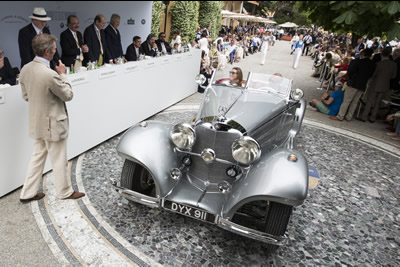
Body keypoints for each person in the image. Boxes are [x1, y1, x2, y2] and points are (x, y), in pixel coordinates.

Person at [19, 34, 85, 203]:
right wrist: (63, 75)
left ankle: (27, 193)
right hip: (53, 124)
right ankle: (64, 192)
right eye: (54, 49)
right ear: (48, 52)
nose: (56, 51)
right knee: (59, 159)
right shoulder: (50, 74)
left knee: (37, 157)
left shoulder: (25, 68)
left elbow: (27, 96)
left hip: (37, 123)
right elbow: (68, 95)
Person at [330, 48, 375, 121]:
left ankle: (340, 116)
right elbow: (371, 74)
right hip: (362, 84)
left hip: (354, 82)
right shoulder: (372, 64)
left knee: (347, 100)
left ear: (363, 54)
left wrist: (350, 78)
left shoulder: (358, 61)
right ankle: (349, 116)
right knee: (355, 102)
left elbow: (350, 71)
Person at [358, 47, 397, 122]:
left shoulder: (379, 64)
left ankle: (364, 116)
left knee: (370, 100)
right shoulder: (393, 65)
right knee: (378, 102)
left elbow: (373, 74)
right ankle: (373, 117)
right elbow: (393, 76)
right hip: (385, 85)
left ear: (382, 55)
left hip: (375, 84)